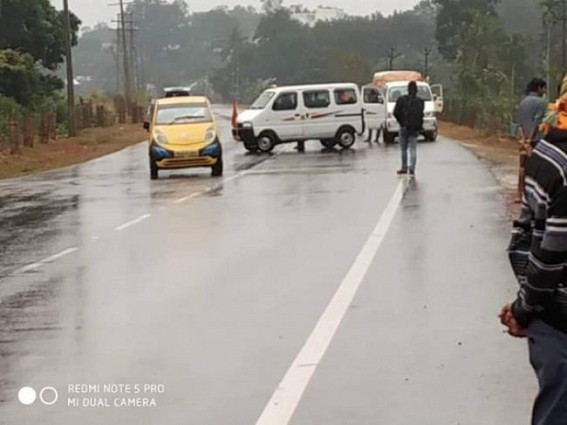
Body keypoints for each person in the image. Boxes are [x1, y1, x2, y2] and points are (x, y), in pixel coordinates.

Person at [501, 75, 567, 424]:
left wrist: (523, 307)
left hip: (552, 317)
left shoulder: (547, 156)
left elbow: (529, 241)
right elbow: (550, 254)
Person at [393, 81, 424, 176]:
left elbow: (395, 112)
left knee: (403, 149)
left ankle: (404, 167)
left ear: (408, 89)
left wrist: (401, 122)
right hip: (414, 128)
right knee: (413, 148)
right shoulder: (420, 102)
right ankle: (412, 168)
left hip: (404, 127)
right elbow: (421, 115)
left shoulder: (401, 100)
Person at [516, 78, 547, 146]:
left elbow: (520, 124)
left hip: (524, 140)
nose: (545, 91)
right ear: (539, 88)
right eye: (544, 88)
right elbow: (536, 123)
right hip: (537, 140)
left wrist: (523, 139)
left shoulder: (522, 102)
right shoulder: (541, 102)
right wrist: (530, 139)